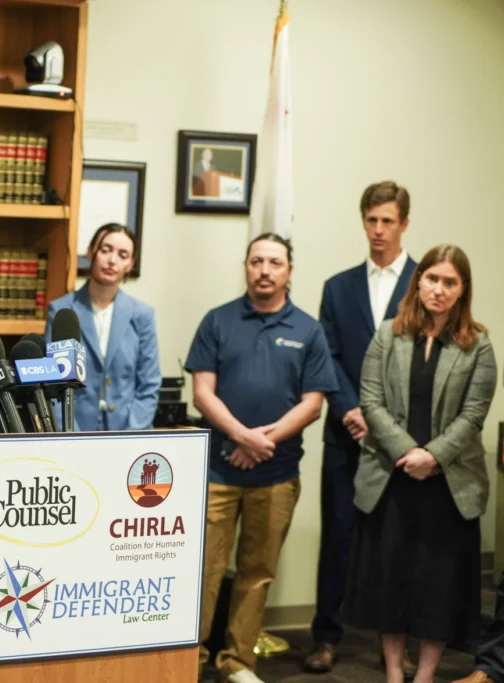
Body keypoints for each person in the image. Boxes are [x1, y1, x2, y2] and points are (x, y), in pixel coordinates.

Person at [186, 232, 337, 683]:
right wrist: (242, 436)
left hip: (276, 474)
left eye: (274, 262)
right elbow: (202, 392)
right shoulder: (218, 320)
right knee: (203, 571)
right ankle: (187, 662)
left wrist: (261, 442)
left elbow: (313, 404)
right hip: (217, 472)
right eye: (256, 261)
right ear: (246, 267)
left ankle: (237, 662)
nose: (265, 270)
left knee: (256, 574)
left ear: (289, 271)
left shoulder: (308, 330)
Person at [343, 245, 497, 683]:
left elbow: (474, 414)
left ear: (462, 289)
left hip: (448, 485)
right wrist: (407, 453)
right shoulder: (388, 335)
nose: (439, 289)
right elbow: (371, 401)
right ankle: (394, 673)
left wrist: (432, 457)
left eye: (450, 282)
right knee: (390, 584)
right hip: (392, 480)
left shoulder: (478, 344)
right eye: (432, 278)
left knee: (438, 588)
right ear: (419, 281)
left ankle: (425, 675)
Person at [305, 181, 417, 674]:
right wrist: (352, 410)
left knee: (399, 544)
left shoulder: (425, 282)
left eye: (387, 220)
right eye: (371, 220)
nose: (378, 230)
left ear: (404, 224)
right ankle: (326, 638)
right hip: (345, 434)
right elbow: (326, 356)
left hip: (405, 439)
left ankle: (398, 645)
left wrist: (383, 422)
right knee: (338, 538)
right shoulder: (338, 286)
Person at [45, 223, 161, 431]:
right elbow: (54, 385)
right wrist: (71, 436)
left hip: (129, 433)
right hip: (75, 432)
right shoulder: (62, 311)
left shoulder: (142, 315)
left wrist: (131, 437)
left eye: (123, 255)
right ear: (90, 253)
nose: (112, 260)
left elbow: (149, 384)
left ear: (130, 264)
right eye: (106, 250)